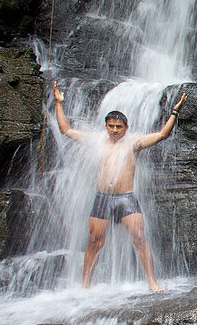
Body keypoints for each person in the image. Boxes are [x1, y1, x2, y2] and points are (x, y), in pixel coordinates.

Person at [52, 81, 186, 292]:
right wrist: (59, 103)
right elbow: (66, 130)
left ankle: (152, 281)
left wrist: (175, 111)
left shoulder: (134, 143)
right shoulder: (96, 141)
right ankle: (85, 284)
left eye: (119, 127)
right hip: (103, 198)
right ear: (106, 126)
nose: (114, 131)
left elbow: (162, 135)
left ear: (126, 128)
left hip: (126, 198)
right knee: (95, 241)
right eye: (111, 126)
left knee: (140, 238)